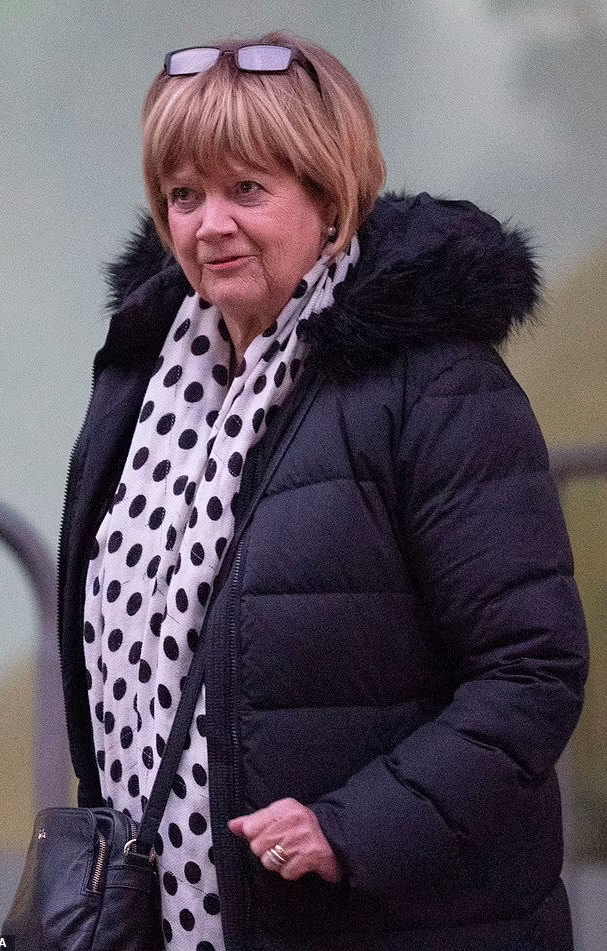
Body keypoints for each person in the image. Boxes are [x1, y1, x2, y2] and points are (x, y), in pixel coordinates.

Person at [56, 31, 589, 951]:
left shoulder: (435, 383)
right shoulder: (139, 383)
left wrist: (352, 827)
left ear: (330, 195)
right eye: (183, 195)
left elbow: (531, 669)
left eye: (247, 190)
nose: (207, 224)